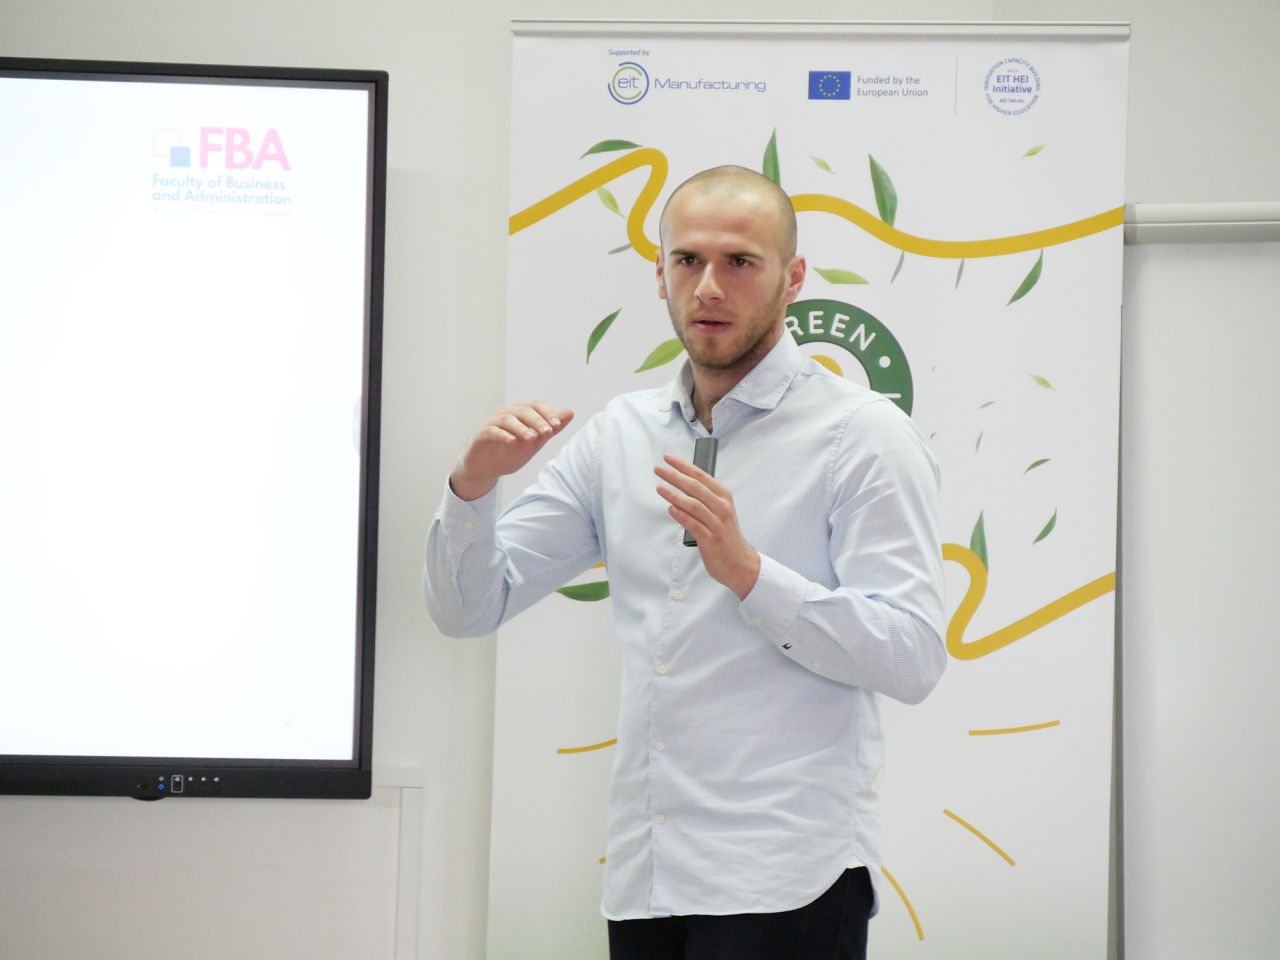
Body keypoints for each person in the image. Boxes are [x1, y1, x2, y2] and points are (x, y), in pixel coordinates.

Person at [423, 165, 946, 959]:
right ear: (659, 274)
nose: (708, 286)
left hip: (789, 876)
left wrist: (751, 575)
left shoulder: (863, 436)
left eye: (740, 262)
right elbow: (468, 608)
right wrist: (473, 487)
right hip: (648, 875)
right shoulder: (620, 434)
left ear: (793, 278)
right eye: (688, 260)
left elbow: (912, 656)